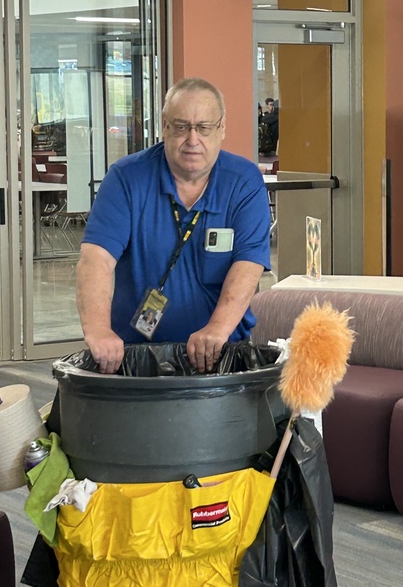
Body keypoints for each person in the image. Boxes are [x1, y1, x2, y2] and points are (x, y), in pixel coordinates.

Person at [75, 77, 271, 374]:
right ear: (164, 127)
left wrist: (217, 328)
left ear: (222, 128)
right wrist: (98, 331)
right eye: (181, 127)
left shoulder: (244, 182)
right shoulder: (126, 178)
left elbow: (248, 265)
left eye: (204, 128)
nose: (193, 140)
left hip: (222, 352)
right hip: (135, 356)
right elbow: (96, 259)